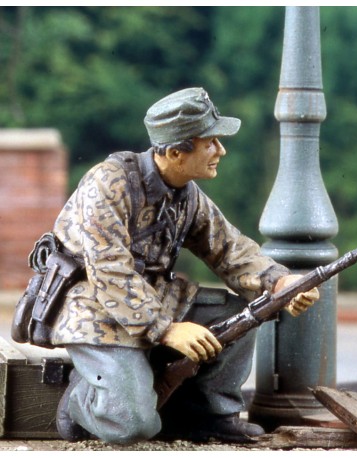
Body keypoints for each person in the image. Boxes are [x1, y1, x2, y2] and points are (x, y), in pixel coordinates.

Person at [41, 87, 319, 444]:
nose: (221, 151)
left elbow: (228, 248)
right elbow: (109, 272)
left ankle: (209, 415)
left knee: (238, 312)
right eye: (211, 143)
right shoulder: (108, 184)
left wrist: (278, 283)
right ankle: (79, 405)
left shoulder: (185, 193)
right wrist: (165, 329)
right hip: (95, 311)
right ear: (175, 152)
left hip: (151, 301)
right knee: (133, 426)